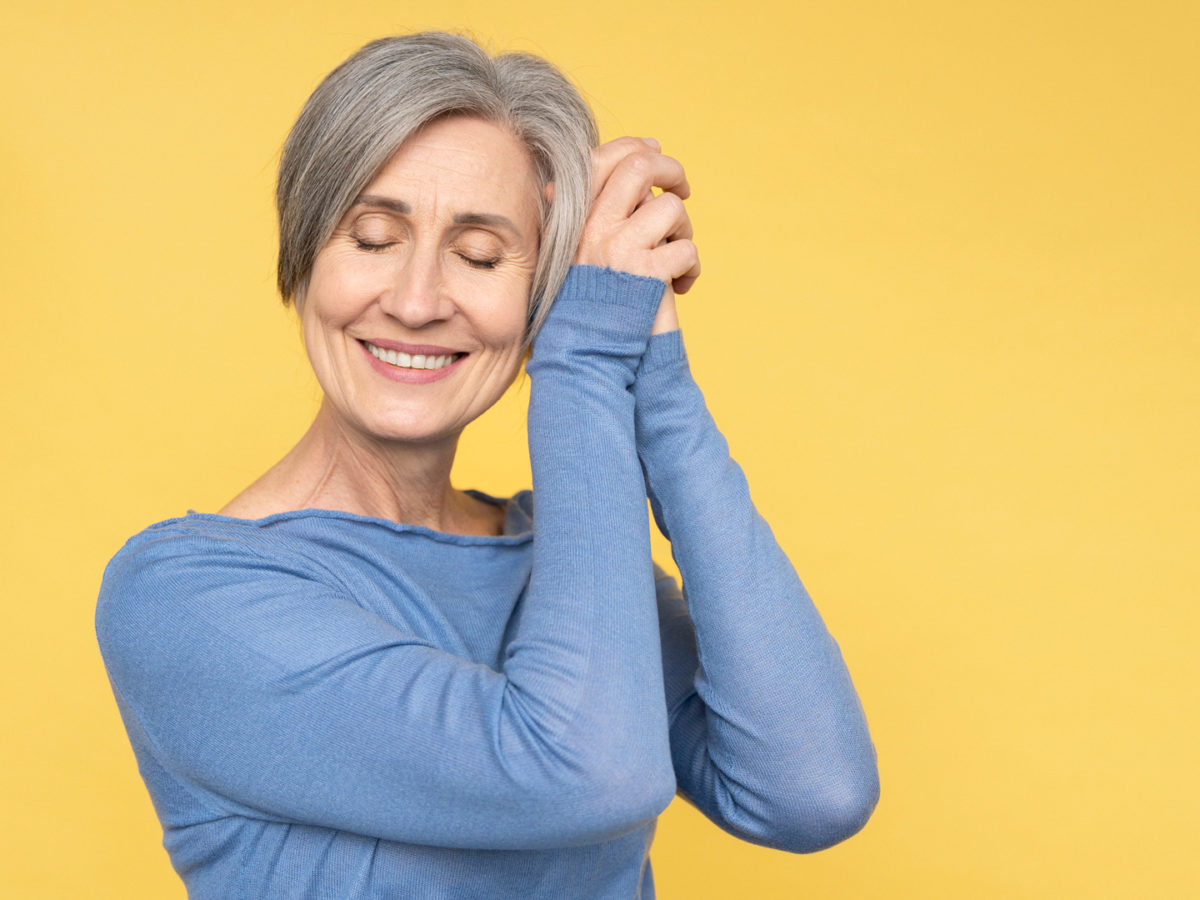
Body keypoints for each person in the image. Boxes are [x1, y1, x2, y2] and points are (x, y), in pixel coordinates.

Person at [95, 31, 878, 899]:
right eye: (372, 238)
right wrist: (581, 359)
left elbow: (813, 791)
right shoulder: (187, 596)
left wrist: (654, 381)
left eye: (478, 256)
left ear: (543, 292)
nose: (417, 301)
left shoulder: (562, 557)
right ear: (304, 258)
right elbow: (583, 772)